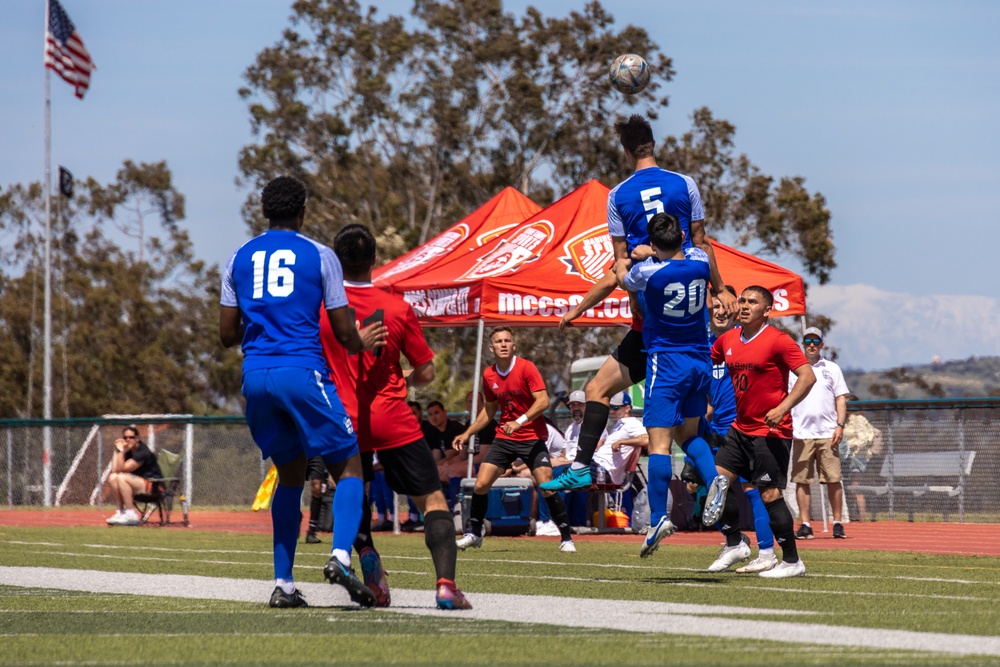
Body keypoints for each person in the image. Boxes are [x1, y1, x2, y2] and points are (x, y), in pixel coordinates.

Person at [543, 114, 736, 494]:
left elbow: (620, 264)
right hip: (689, 327)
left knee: (599, 391)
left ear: (626, 150)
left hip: (652, 329)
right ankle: (724, 512)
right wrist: (721, 288)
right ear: (653, 144)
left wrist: (629, 306)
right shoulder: (685, 183)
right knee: (686, 435)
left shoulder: (618, 195)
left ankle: (584, 467)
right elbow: (702, 241)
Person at [219, 175, 385, 609]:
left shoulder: (238, 257)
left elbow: (225, 334)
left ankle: (284, 585)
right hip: (302, 371)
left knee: (290, 476)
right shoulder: (320, 255)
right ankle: (338, 557)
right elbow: (344, 328)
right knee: (350, 467)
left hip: (256, 377)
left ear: (263, 212)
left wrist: (262, 325)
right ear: (304, 211)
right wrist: (360, 342)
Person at [321, 223, 472, 610]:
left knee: (354, 497)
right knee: (433, 500)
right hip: (392, 418)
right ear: (375, 260)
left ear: (337, 262)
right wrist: (404, 375)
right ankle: (445, 586)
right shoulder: (397, 307)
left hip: (342, 419)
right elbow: (425, 372)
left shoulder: (321, 308)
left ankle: (372, 569)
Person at [620, 213, 720, 558]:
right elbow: (696, 247)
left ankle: (659, 517)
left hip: (667, 361)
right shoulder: (700, 261)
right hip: (699, 359)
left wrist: (636, 254)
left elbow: (624, 280)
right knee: (689, 435)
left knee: (658, 443)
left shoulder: (648, 271)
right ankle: (715, 478)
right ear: (680, 234)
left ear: (653, 242)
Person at [703, 285, 816, 578]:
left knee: (769, 496)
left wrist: (783, 408)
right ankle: (735, 542)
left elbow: (808, 376)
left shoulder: (778, 341)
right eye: (741, 300)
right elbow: (705, 364)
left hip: (770, 432)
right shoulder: (727, 339)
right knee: (716, 481)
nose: (744, 305)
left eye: (752, 302)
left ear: (766, 310)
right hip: (740, 429)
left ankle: (792, 561)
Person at [453, 326, 576, 553]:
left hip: (531, 436)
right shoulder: (489, 375)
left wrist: (519, 421)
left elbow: (542, 402)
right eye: (498, 341)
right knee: (481, 484)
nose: (503, 344)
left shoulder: (526, 368)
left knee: (547, 485)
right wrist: (468, 432)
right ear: (491, 348)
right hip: (505, 437)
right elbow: (489, 410)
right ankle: (474, 533)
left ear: (513, 345)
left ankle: (566, 537)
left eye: (507, 340)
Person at [699, 287, 777, 573]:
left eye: (726, 306)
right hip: (714, 430)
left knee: (754, 489)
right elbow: (705, 394)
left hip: (745, 428)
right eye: (715, 306)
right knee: (708, 487)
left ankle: (766, 551)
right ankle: (734, 542)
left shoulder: (749, 340)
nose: (721, 311)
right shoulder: (707, 346)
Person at [789, 327, 851, 540]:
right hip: (801, 433)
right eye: (808, 340)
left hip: (827, 433)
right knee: (802, 480)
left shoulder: (832, 368)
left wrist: (840, 425)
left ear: (822, 344)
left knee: (833, 479)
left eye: (816, 340)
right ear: (803, 344)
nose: (812, 344)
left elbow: (840, 398)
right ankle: (805, 523)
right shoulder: (793, 370)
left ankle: (837, 523)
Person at [105, 426, 162, 526]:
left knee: (121, 477)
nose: (128, 440)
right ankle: (120, 512)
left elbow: (123, 469)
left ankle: (131, 514)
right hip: (137, 484)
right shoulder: (129, 453)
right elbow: (115, 469)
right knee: (112, 477)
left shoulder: (143, 452)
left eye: (131, 437)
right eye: (125, 437)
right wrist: (117, 450)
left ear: (137, 438)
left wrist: (121, 450)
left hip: (153, 486)